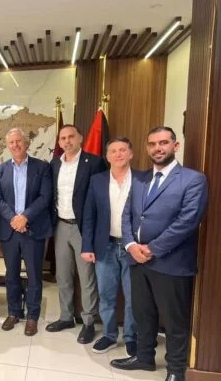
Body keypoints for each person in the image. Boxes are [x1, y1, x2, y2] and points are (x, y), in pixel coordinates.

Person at [110, 127, 208, 381]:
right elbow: (127, 215)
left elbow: (188, 221)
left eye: (163, 143)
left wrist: (152, 248)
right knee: (143, 313)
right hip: (138, 260)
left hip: (171, 263)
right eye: (152, 144)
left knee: (175, 321)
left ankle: (175, 370)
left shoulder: (193, 180)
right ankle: (144, 358)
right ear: (147, 148)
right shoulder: (140, 179)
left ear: (175, 146)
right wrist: (130, 245)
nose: (158, 148)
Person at [45, 124, 105, 344]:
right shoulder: (54, 164)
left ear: (80, 138)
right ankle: (66, 317)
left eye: (71, 136)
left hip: (83, 227)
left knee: (86, 276)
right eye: (63, 138)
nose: (67, 141)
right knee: (63, 275)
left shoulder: (94, 163)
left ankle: (88, 322)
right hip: (60, 226)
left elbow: (100, 197)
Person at [82, 137, 139, 355]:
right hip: (104, 246)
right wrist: (87, 246)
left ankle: (131, 337)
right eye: (113, 151)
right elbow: (89, 215)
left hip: (132, 248)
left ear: (130, 153)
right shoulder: (97, 180)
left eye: (122, 150)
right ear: (107, 156)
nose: (118, 154)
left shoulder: (142, 179)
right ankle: (109, 335)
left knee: (133, 296)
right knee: (106, 295)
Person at [0, 128, 53, 336]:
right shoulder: (0, 170)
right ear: (7, 146)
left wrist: (25, 217)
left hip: (33, 229)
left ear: (26, 143)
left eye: (19, 141)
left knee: (34, 275)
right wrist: (13, 218)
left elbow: (45, 197)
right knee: (11, 275)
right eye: (11, 142)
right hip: (9, 230)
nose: (15, 145)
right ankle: (14, 312)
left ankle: (32, 316)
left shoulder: (42, 167)